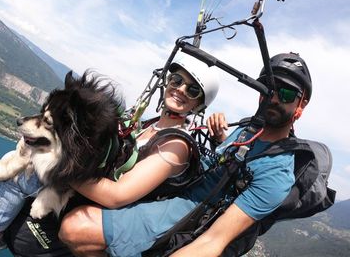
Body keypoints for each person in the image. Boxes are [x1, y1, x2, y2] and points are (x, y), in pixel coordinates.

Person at [0, 54, 220, 252]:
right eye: (176, 80)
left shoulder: (176, 145)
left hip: (106, 204)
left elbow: (117, 196)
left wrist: (57, 165)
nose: (180, 89)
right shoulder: (149, 124)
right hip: (89, 187)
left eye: (192, 89)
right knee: (19, 158)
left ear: (199, 103)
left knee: (25, 173)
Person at [58, 52, 312, 257]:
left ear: (301, 105)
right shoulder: (247, 131)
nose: (274, 98)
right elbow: (230, 164)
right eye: (269, 88)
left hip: (190, 214)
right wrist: (219, 139)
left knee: (77, 227)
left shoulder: (277, 174)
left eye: (287, 94)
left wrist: (56, 168)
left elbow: (214, 241)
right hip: (179, 194)